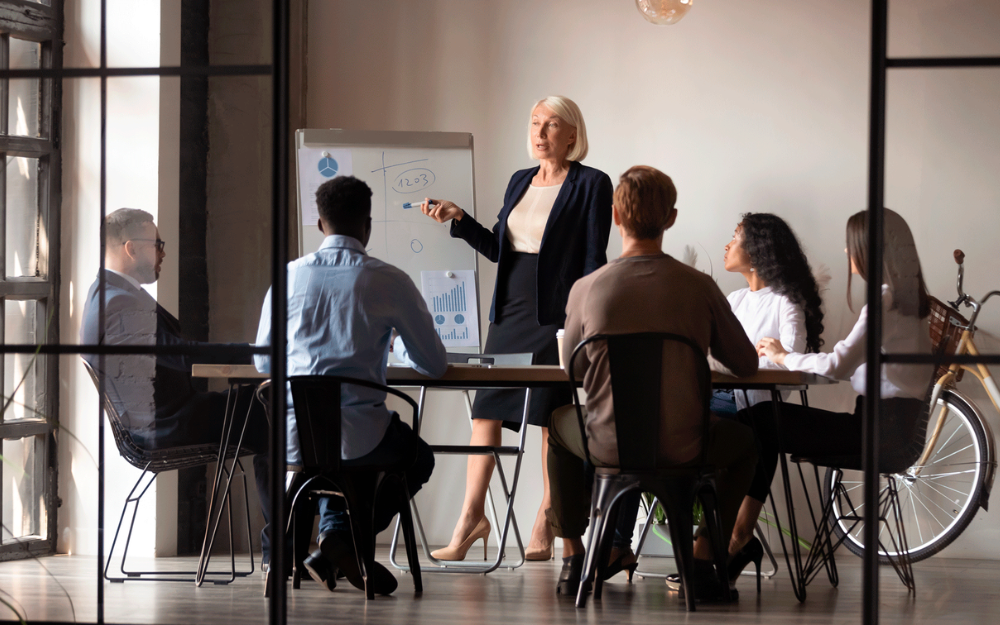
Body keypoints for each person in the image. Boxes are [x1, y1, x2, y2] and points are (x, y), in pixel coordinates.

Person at [547, 165, 759, 601]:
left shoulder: (585, 288)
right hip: (687, 445)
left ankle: (572, 558)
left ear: (616, 217)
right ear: (672, 218)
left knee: (557, 427)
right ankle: (701, 559)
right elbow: (746, 365)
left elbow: (577, 371)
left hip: (607, 444)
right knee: (749, 443)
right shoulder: (699, 287)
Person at [419, 96, 612, 561]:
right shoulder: (519, 181)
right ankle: (471, 518)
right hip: (507, 313)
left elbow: (593, 260)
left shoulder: (593, 184)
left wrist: (584, 323)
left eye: (551, 124)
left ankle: (549, 517)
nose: (540, 132)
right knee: (486, 413)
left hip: (556, 317)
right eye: (534, 122)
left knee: (549, 419)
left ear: (572, 135)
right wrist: (460, 220)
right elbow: (501, 250)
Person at [254, 175, 447, 595]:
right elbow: (434, 364)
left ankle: (328, 542)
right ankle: (340, 537)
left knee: (322, 461)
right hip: (363, 439)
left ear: (320, 224)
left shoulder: (286, 277)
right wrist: (395, 347)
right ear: (368, 225)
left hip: (293, 440)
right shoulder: (390, 280)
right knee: (418, 459)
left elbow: (261, 361)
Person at [80, 208, 272, 562]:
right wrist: (264, 352)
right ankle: (284, 550)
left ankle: (287, 548)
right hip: (165, 426)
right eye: (157, 244)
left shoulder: (109, 293)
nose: (164, 252)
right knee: (271, 410)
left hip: (168, 417)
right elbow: (183, 355)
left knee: (267, 406)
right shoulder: (118, 302)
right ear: (131, 249)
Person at [751, 208, 933, 551]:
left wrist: (782, 356)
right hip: (893, 429)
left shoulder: (885, 301)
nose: (847, 251)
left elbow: (837, 364)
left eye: (852, 244)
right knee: (762, 420)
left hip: (874, 432)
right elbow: (857, 366)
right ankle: (738, 540)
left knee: (758, 419)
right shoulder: (910, 304)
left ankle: (736, 540)